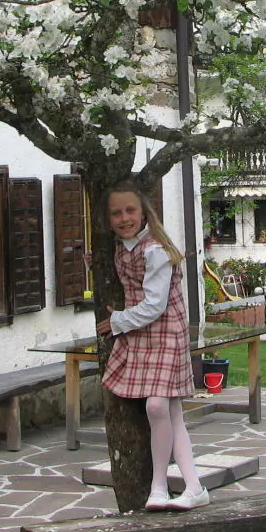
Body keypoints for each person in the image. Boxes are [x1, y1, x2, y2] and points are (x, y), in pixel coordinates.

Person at [95, 182, 209, 512]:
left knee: (157, 407)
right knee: (171, 414)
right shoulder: (121, 247)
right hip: (141, 333)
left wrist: (118, 320)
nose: (124, 218)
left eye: (130, 210)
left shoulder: (155, 250)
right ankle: (195, 487)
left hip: (165, 330)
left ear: (144, 212)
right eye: (116, 213)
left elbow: (155, 305)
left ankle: (159, 486)